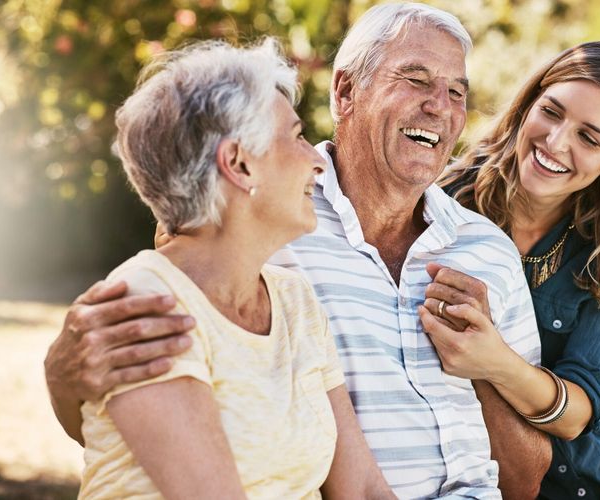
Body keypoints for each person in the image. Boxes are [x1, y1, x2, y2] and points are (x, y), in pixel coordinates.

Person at [45, 4, 553, 498]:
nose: (440, 106)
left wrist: (489, 364)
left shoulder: (294, 297)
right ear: (346, 91)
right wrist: (63, 374)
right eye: (416, 80)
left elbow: (371, 488)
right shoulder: (198, 277)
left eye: (456, 91)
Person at [72, 38, 392, 499]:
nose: (317, 159)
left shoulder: (294, 301)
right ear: (239, 164)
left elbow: (361, 489)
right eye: (298, 137)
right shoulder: (146, 303)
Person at [422, 41, 600, 498]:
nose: (555, 143)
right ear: (529, 104)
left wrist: (494, 362)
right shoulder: (442, 204)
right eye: (552, 113)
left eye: (589, 137)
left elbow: (580, 413)